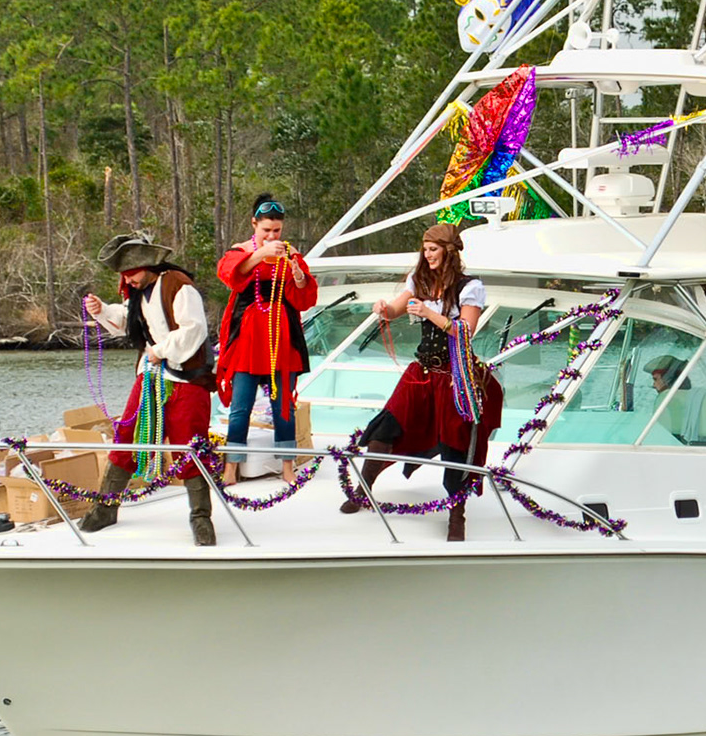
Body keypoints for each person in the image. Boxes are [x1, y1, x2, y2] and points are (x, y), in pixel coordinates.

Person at [340, 223, 502, 542]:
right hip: (422, 372)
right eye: (425, 249)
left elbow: (466, 330)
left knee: (456, 443)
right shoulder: (420, 280)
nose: (427, 255)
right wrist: (383, 309)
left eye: (433, 249)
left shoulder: (469, 287)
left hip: (455, 376)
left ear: (449, 251)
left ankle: (457, 513)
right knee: (387, 428)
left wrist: (430, 313)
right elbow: (395, 310)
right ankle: (363, 488)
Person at [80, 233, 218, 545]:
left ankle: (201, 518)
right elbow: (128, 319)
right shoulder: (138, 291)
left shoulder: (178, 285)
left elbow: (194, 328)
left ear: (147, 265)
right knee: (126, 435)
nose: (127, 278)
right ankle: (105, 508)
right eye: (123, 274)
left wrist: (162, 349)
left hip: (186, 379)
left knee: (189, 446)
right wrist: (101, 309)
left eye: (131, 272)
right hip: (151, 376)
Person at [215, 194, 319, 483]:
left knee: (283, 407)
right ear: (254, 225)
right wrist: (261, 253)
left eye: (277, 231)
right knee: (240, 408)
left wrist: (298, 276)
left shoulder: (291, 255)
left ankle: (287, 466)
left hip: (281, 342)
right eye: (266, 230)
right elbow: (229, 275)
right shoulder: (240, 251)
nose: (272, 236)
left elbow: (305, 299)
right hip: (248, 343)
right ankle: (231, 467)